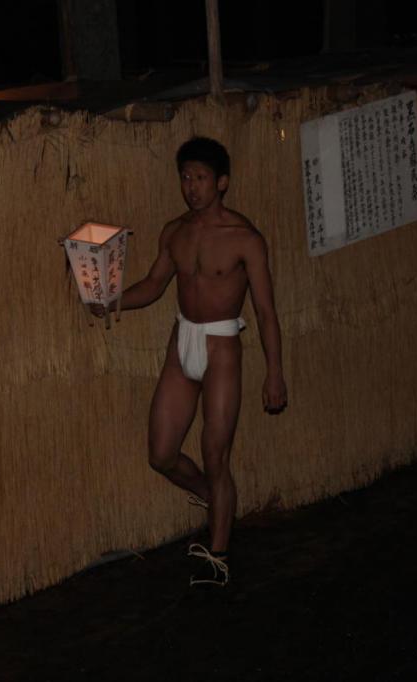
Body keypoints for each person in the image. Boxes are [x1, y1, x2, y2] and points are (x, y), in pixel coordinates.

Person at [95, 137, 287, 587]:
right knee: (161, 453)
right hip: (182, 339)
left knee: (215, 454)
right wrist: (111, 301)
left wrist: (275, 372)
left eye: (200, 178)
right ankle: (213, 499)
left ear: (222, 182)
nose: (191, 187)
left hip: (222, 344)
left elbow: (265, 311)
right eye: (185, 177)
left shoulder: (245, 238)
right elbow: (153, 284)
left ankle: (216, 558)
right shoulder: (174, 231)